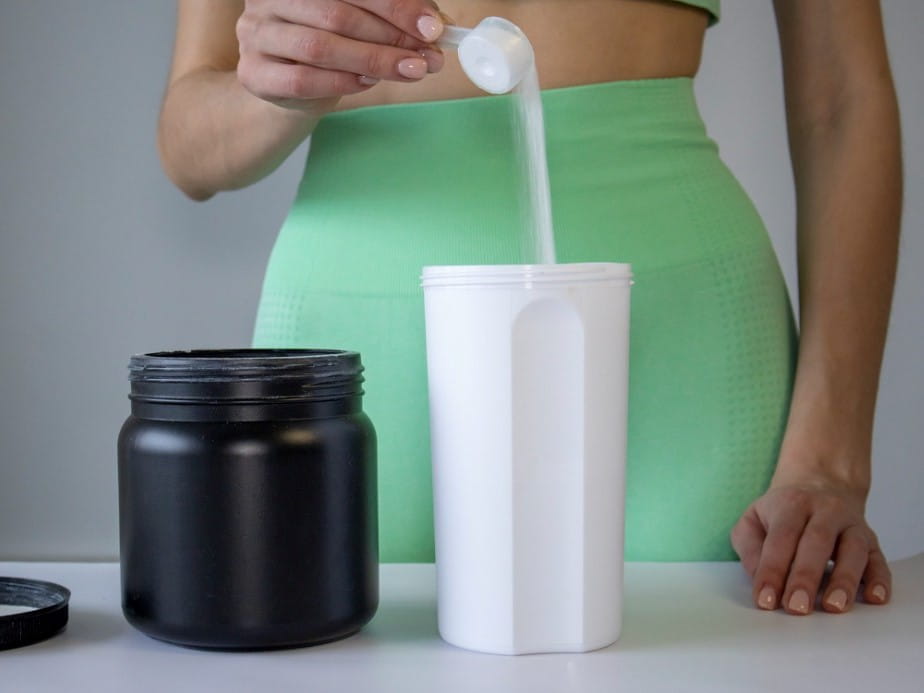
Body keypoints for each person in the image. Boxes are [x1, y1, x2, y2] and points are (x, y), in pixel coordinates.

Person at [158, 0, 902, 616]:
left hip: (679, 344)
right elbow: (189, 140)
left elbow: (843, 96)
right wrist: (278, 83)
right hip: (356, 349)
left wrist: (831, 460)